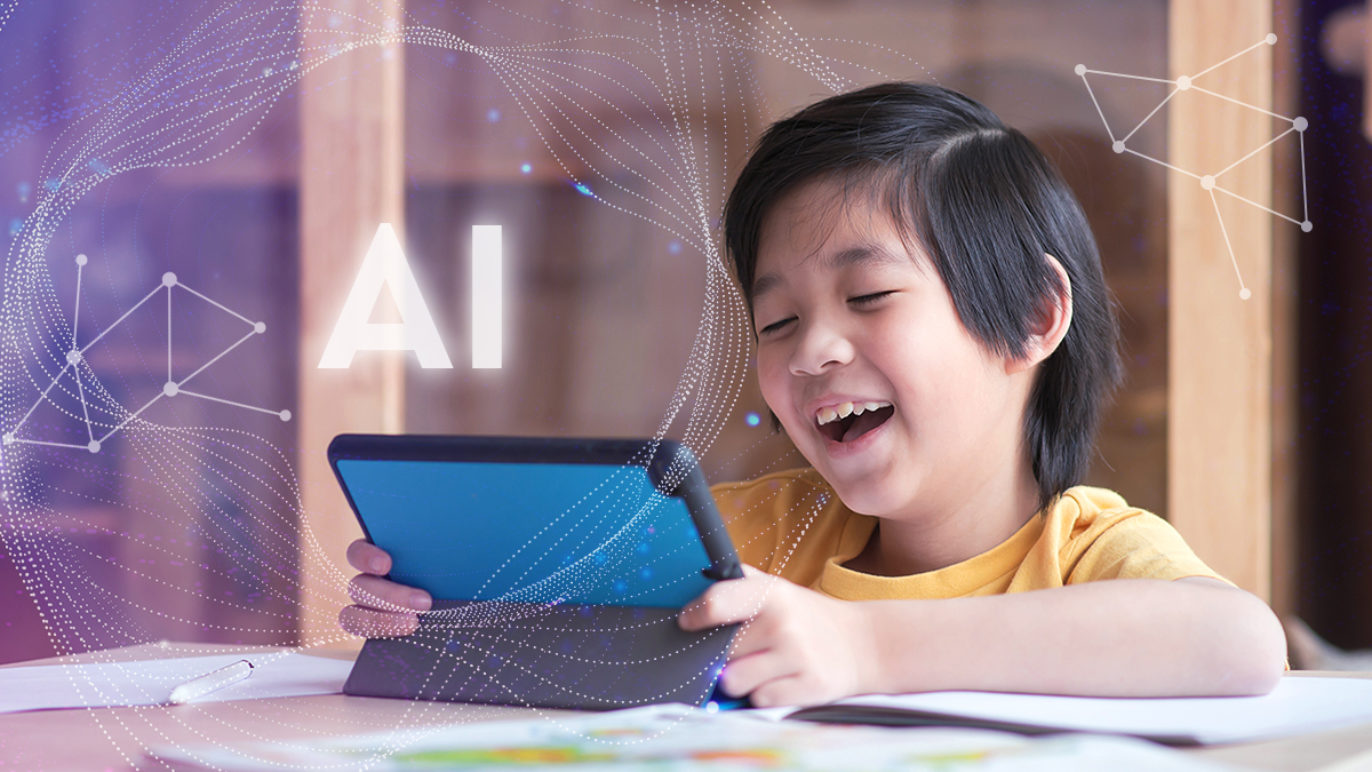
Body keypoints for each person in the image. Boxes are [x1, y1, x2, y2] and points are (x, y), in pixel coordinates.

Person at [339, 82, 1287, 707]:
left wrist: (865, 648)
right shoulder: (750, 541)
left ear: (1035, 316)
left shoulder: (1087, 551)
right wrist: (446, 613)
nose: (814, 349)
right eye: (777, 321)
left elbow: (1238, 643)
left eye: (869, 296)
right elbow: (562, 617)